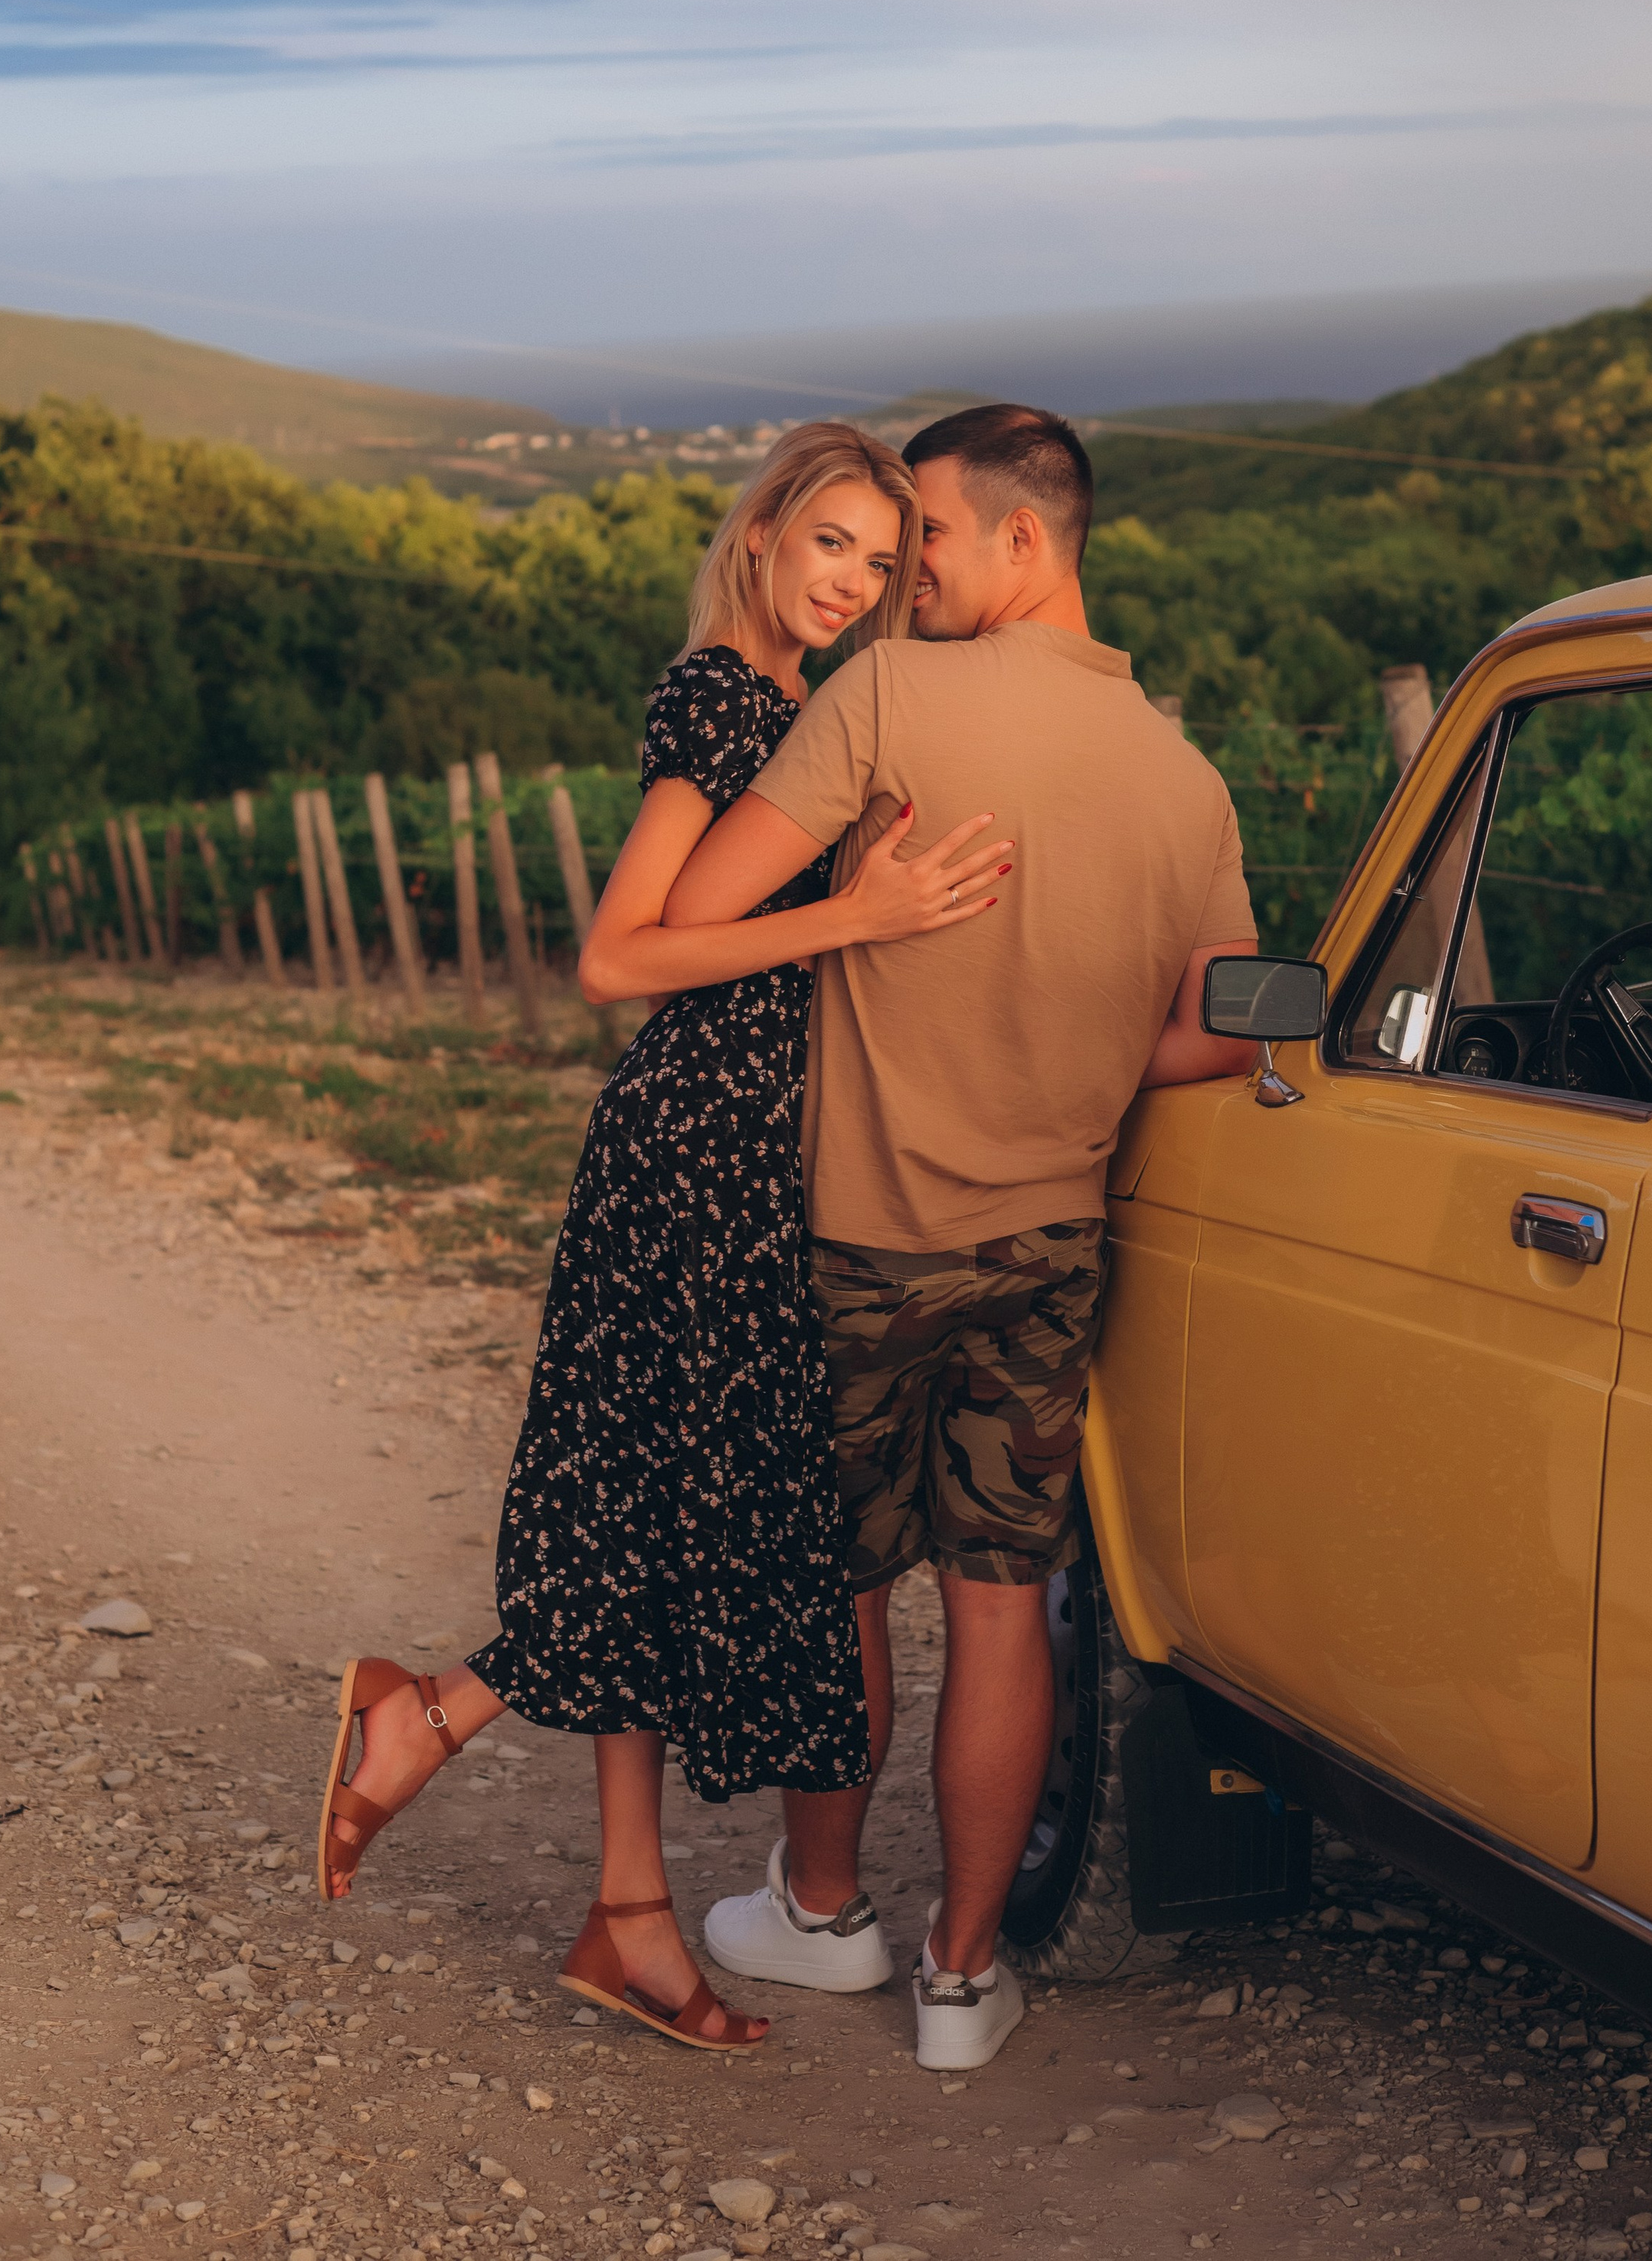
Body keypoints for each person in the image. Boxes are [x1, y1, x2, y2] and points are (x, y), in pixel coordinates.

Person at [313, 420, 1012, 2056]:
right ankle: (417, 1718)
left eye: (880, 555)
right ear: (762, 536)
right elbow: (619, 958)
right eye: (829, 541)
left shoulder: (798, 710)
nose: (853, 579)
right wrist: (862, 911)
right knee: (678, 1523)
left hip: (740, 1153)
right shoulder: (719, 700)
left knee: (644, 1498)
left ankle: (630, 1915)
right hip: (694, 1151)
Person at [665, 402, 1261, 2069]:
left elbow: (698, 915)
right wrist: (1075, 1060)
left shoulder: (888, 696)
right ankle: (957, 1977)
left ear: (1025, 539)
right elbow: (1223, 1030)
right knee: (1000, 1601)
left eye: (927, 531)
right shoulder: (1179, 776)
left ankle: (828, 1912)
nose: (907, 563)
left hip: (854, 1241)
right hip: (1047, 1248)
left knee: (848, 1583)